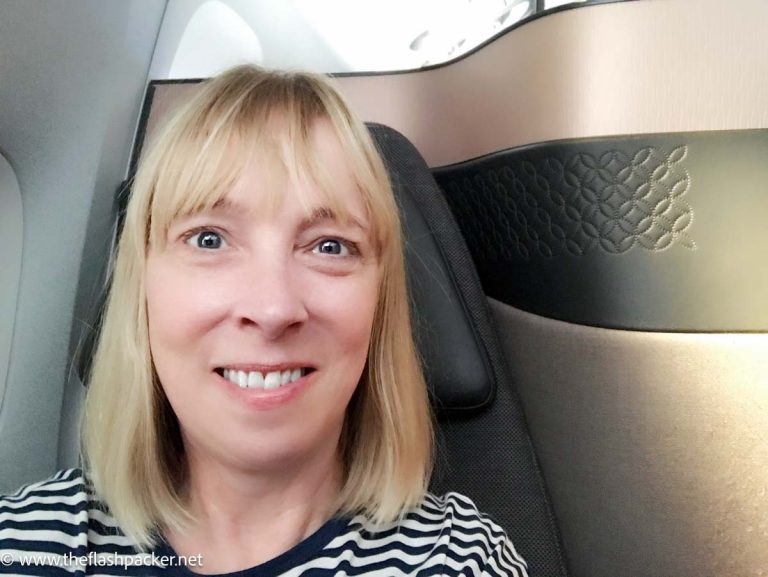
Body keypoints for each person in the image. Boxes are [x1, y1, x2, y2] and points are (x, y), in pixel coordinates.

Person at [0, 65, 529, 576]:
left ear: (379, 307)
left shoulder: (457, 560)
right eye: (209, 239)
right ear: (142, 292)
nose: (273, 309)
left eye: (329, 246)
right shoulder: (27, 542)